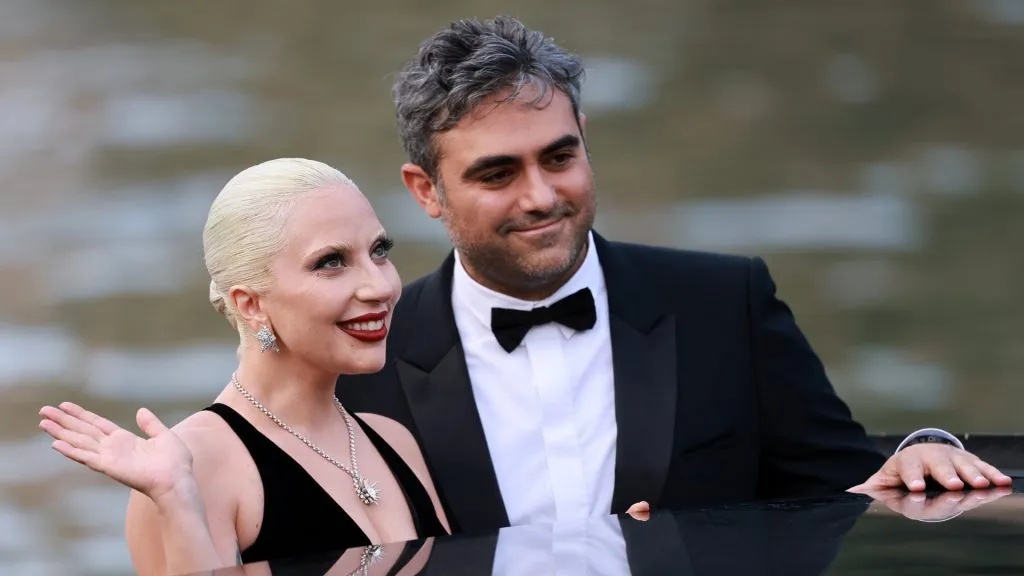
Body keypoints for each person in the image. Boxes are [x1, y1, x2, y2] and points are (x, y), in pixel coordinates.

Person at [335, 14, 1013, 542]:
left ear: (585, 142)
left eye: (559, 157)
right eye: (497, 172)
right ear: (426, 191)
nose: (540, 196)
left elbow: (842, 496)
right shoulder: (362, 362)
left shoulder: (728, 306)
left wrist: (925, 454)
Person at [38, 158, 450, 576]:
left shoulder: (395, 441)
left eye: (379, 251)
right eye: (331, 262)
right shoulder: (189, 465)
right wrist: (177, 501)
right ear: (250, 304)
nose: (380, 286)